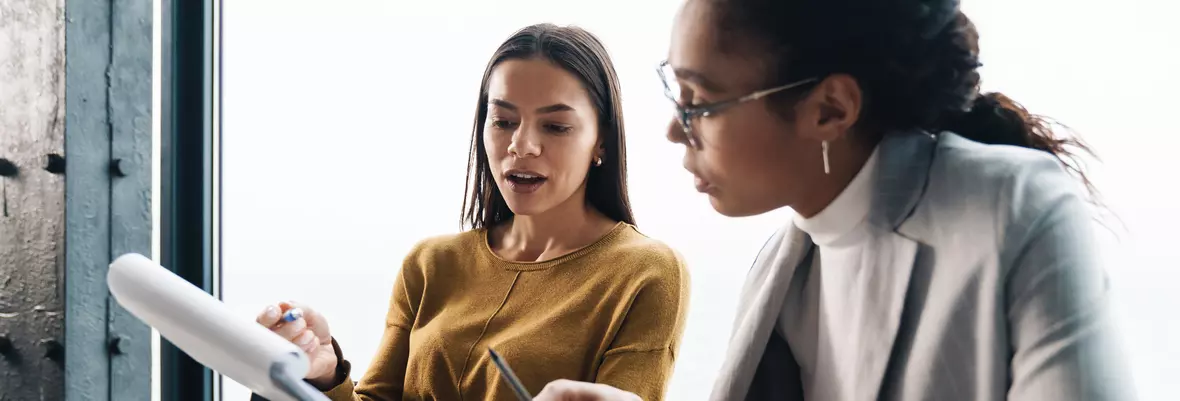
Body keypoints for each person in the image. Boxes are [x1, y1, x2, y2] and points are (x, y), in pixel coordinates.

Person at [533, 0, 1134, 400]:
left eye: (699, 102)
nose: (673, 129)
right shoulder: (783, 266)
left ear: (830, 109)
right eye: (676, 91)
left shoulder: (1016, 209)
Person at [253, 24, 689, 401]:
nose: (521, 145)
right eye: (503, 121)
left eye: (555, 126)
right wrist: (325, 373)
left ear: (601, 141)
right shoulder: (430, 263)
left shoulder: (645, 272)